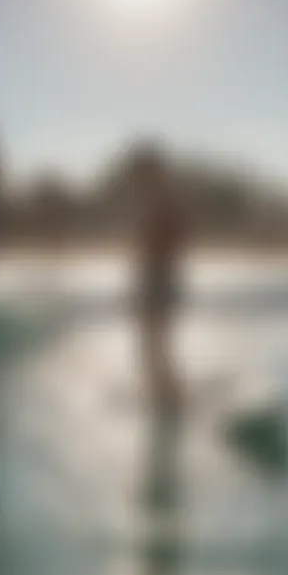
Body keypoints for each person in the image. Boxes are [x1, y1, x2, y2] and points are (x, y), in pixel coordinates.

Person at [130, 141, 188, 513]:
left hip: (160, 278)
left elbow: (167, 241)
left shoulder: (164, 198)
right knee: (154, 343)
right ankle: (165, 394)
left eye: (140, 169)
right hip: (157, 278)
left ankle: (169, 397)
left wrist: (152, 277)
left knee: (155, 342)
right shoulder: (159, 197)